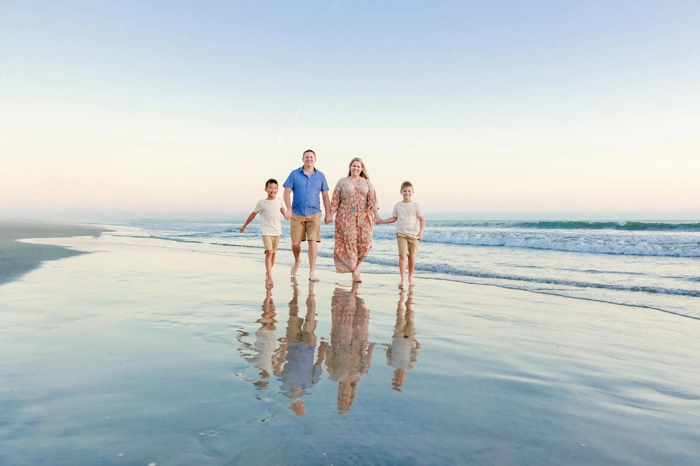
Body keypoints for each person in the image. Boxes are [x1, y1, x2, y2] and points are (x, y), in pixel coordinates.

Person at [277, 278, 328, 417]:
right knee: (310, 315)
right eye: (302, 407)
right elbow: (318, 364)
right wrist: (323, 347)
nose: (301, 406)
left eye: (298, 408)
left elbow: (277, 368)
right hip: (309, 345)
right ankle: (311, 292)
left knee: (293, 313)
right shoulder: (311, 383)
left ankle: (295, 291)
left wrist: (283, 348)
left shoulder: (284, 386)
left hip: (292, 343)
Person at [324, 283, 375, 415]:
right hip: (358, 340)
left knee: (346, 311)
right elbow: (367, 360)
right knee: (361, 313)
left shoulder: (333, 375)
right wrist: (371, 347)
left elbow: (328, 357)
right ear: (351, 395)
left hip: (341, 339)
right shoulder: (358, 376)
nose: (344, 395)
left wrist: (324, 345)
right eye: (345, 398)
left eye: (341, 398)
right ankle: (354, 289)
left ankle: (351, 289)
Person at [283, 150, 332, 282]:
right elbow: (286, 193)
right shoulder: (294, 174)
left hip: (314, 213)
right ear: (302, 159)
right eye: (306, 157)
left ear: (315, 159)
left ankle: (312, 272)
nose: (309, 159)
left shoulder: (321, 176)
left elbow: (325, 196)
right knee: (295, 244)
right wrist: (288, 209)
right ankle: (297, 260)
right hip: (297, 214)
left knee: (312, 242)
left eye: (311, 157)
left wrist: (328, 213)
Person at [330, 158, 381, 283]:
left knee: (366, 245)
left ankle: (356, 267)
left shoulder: (367, 183)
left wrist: (377, 215)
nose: (356, 168)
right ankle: (354, 272)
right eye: (354, 166)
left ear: (362, 168)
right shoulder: (342, 182)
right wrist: (330, 215)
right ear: (350, 167)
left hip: (364, 218)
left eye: (358, 166)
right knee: (350, 244)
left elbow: (373, 201)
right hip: (345, 218)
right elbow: (335, 200)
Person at [239, 178, 286, 288]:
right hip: (266, 231)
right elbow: (253, 214)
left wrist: (286, 215)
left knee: (274, 254)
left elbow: (282, 209)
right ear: (266, 189)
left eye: (275, 188)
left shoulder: (279, 200)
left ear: (277, 189)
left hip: (277, 231)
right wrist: (245, 225)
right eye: (270, 188)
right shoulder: (261, 203)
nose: (273, 190)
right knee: (269, 252)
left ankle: (268, 272)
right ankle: (270, 277)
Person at [381, 181, 425, 289]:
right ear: (401, 192)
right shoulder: (398, 205)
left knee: (412, 257)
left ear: (412, 192)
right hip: (401, 234)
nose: (407, 193)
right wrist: (382, 221)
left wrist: (420, 232)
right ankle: (402, 279)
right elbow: (394, 218)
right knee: (402, 256)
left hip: (413, 235)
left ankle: (410, 277)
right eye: (405, 191)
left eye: (409, 191)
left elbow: (422, 220)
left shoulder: (416, 205)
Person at [386, 289, 420, 391]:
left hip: (398, 337)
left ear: (394, 376)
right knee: (409, 316)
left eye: (397, 379)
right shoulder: (410, 366)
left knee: (400, 317)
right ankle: (410, 296)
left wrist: (393, 343)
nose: (400, 377)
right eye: (400, 379)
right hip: (409, 338)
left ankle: (401, 298)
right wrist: (414, 339)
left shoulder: (390, 363)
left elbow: (389, 350)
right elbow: (416, 350)